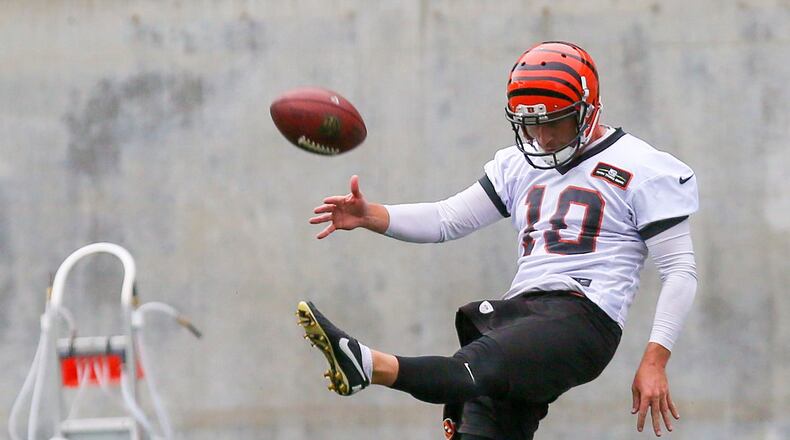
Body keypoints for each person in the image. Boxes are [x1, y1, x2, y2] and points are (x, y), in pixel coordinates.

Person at [297, 41, 698, 439]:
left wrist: (655, 359)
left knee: (472, 369)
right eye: (530, 124)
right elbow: (447, 218)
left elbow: (680, 270)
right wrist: (371, 215)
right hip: (521, 313)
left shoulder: (643, 167)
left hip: (583, 318)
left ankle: (367, 364)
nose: (541, 137)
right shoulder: (517, 165)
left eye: (552, 122)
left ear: (587, 110)